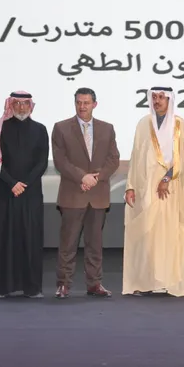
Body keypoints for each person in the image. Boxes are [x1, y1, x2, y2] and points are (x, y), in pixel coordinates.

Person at [123, 87, 184, 296]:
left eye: (161, 97)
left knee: (169, 236)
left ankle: (168, 282)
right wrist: (130, 186)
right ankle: (147, 283)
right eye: (154, 97)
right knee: (148, 236)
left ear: (169, 100)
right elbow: (136, 156)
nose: (157, 101)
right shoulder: (143, 124)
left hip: (171, 190)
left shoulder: (180, 125)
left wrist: (166, 178)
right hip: (146, 189)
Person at [51, 88, 120, 299]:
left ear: (94, 104)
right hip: (73, 194)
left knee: (95, 245)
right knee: (68, 244)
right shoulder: (61, 128)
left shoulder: (107, 129)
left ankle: (95, 284)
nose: (82, 106)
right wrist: (82, 177)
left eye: (86, 103)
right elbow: (60, 161)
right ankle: (63, 284)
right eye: (79, 102)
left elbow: (113, 159)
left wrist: (96, 178)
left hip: (98, 196)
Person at [0, 91, 49, 298]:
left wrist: (24, 184)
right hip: (5, 192)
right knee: (2, 238)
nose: (21, 107)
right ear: (10, 105)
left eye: (25, 103)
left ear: (31, 106)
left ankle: (32, 288)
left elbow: (42, 162)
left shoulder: (40, 130)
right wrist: (12, 183)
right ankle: (1, 287)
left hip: (30, 194)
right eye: (17, 103)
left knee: (30, 239)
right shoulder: (0, 128)